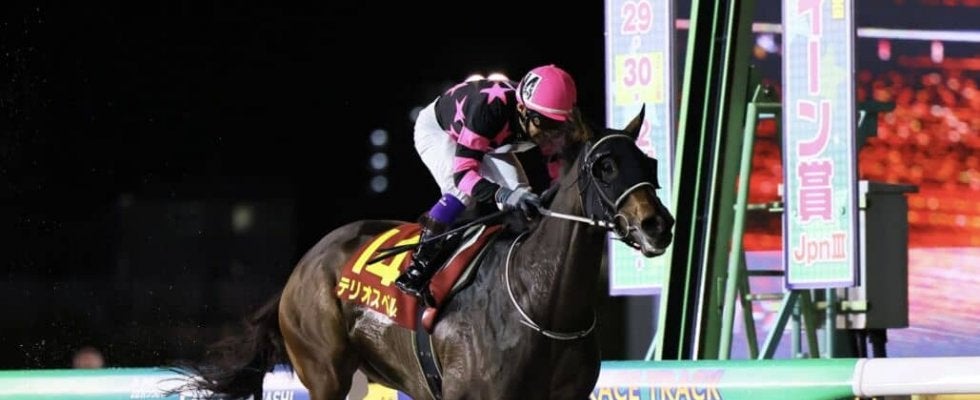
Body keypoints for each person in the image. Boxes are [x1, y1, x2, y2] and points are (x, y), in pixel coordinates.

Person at [394, 64, 580, 301]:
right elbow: (463, 176)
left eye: (557, 125)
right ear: (522, 109)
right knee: (461, 193)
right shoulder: (489, 111)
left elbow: (559, 166)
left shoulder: (545, 113)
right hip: (440, 132)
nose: (550, 133)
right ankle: (418, 267)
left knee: (524, 195)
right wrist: (502, 194)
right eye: (545, 124)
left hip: (490, 141)